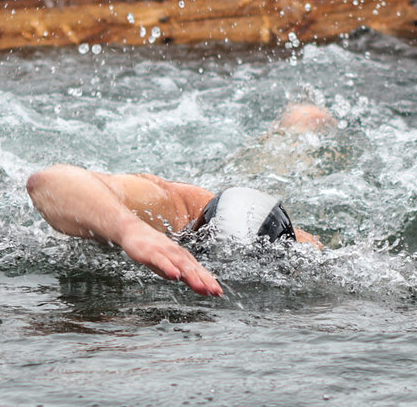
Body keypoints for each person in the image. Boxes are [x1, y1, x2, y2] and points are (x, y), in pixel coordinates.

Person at [26, 103, 331, 297]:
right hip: (196, 193)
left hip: (267, 205)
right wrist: (131, 230)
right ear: (196, 230)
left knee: (299, 138)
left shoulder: (302, 251)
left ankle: (303, 122)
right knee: (291, 134)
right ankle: (299, 119)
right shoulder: (166, 208)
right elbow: (47, 183)